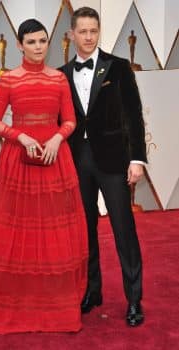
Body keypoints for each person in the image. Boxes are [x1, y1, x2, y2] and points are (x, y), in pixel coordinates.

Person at [0, 19, 88, 334]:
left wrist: (57, 138)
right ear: (19, 45)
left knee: (53, 233)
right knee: (15, 233)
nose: (38, 47)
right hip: (18, 162)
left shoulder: (59, 80)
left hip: (54, 159)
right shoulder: (9, 80)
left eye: (42, 41)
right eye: (31, 42)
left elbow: (71, 120)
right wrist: (19, 136)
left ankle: (55, 306)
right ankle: (15, 301)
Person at [59, 7, 147, 327]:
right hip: (76, 160)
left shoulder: (119, 67)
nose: (88, 37)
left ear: (99, 31)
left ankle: (134, 300)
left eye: (93, 31)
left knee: (124, 230)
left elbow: (133, 115)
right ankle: (92, 291)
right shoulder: (62, 73)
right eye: (82, 31)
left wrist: (137, 159)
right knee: (85, 231)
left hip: (113, 160)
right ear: (72, 34)